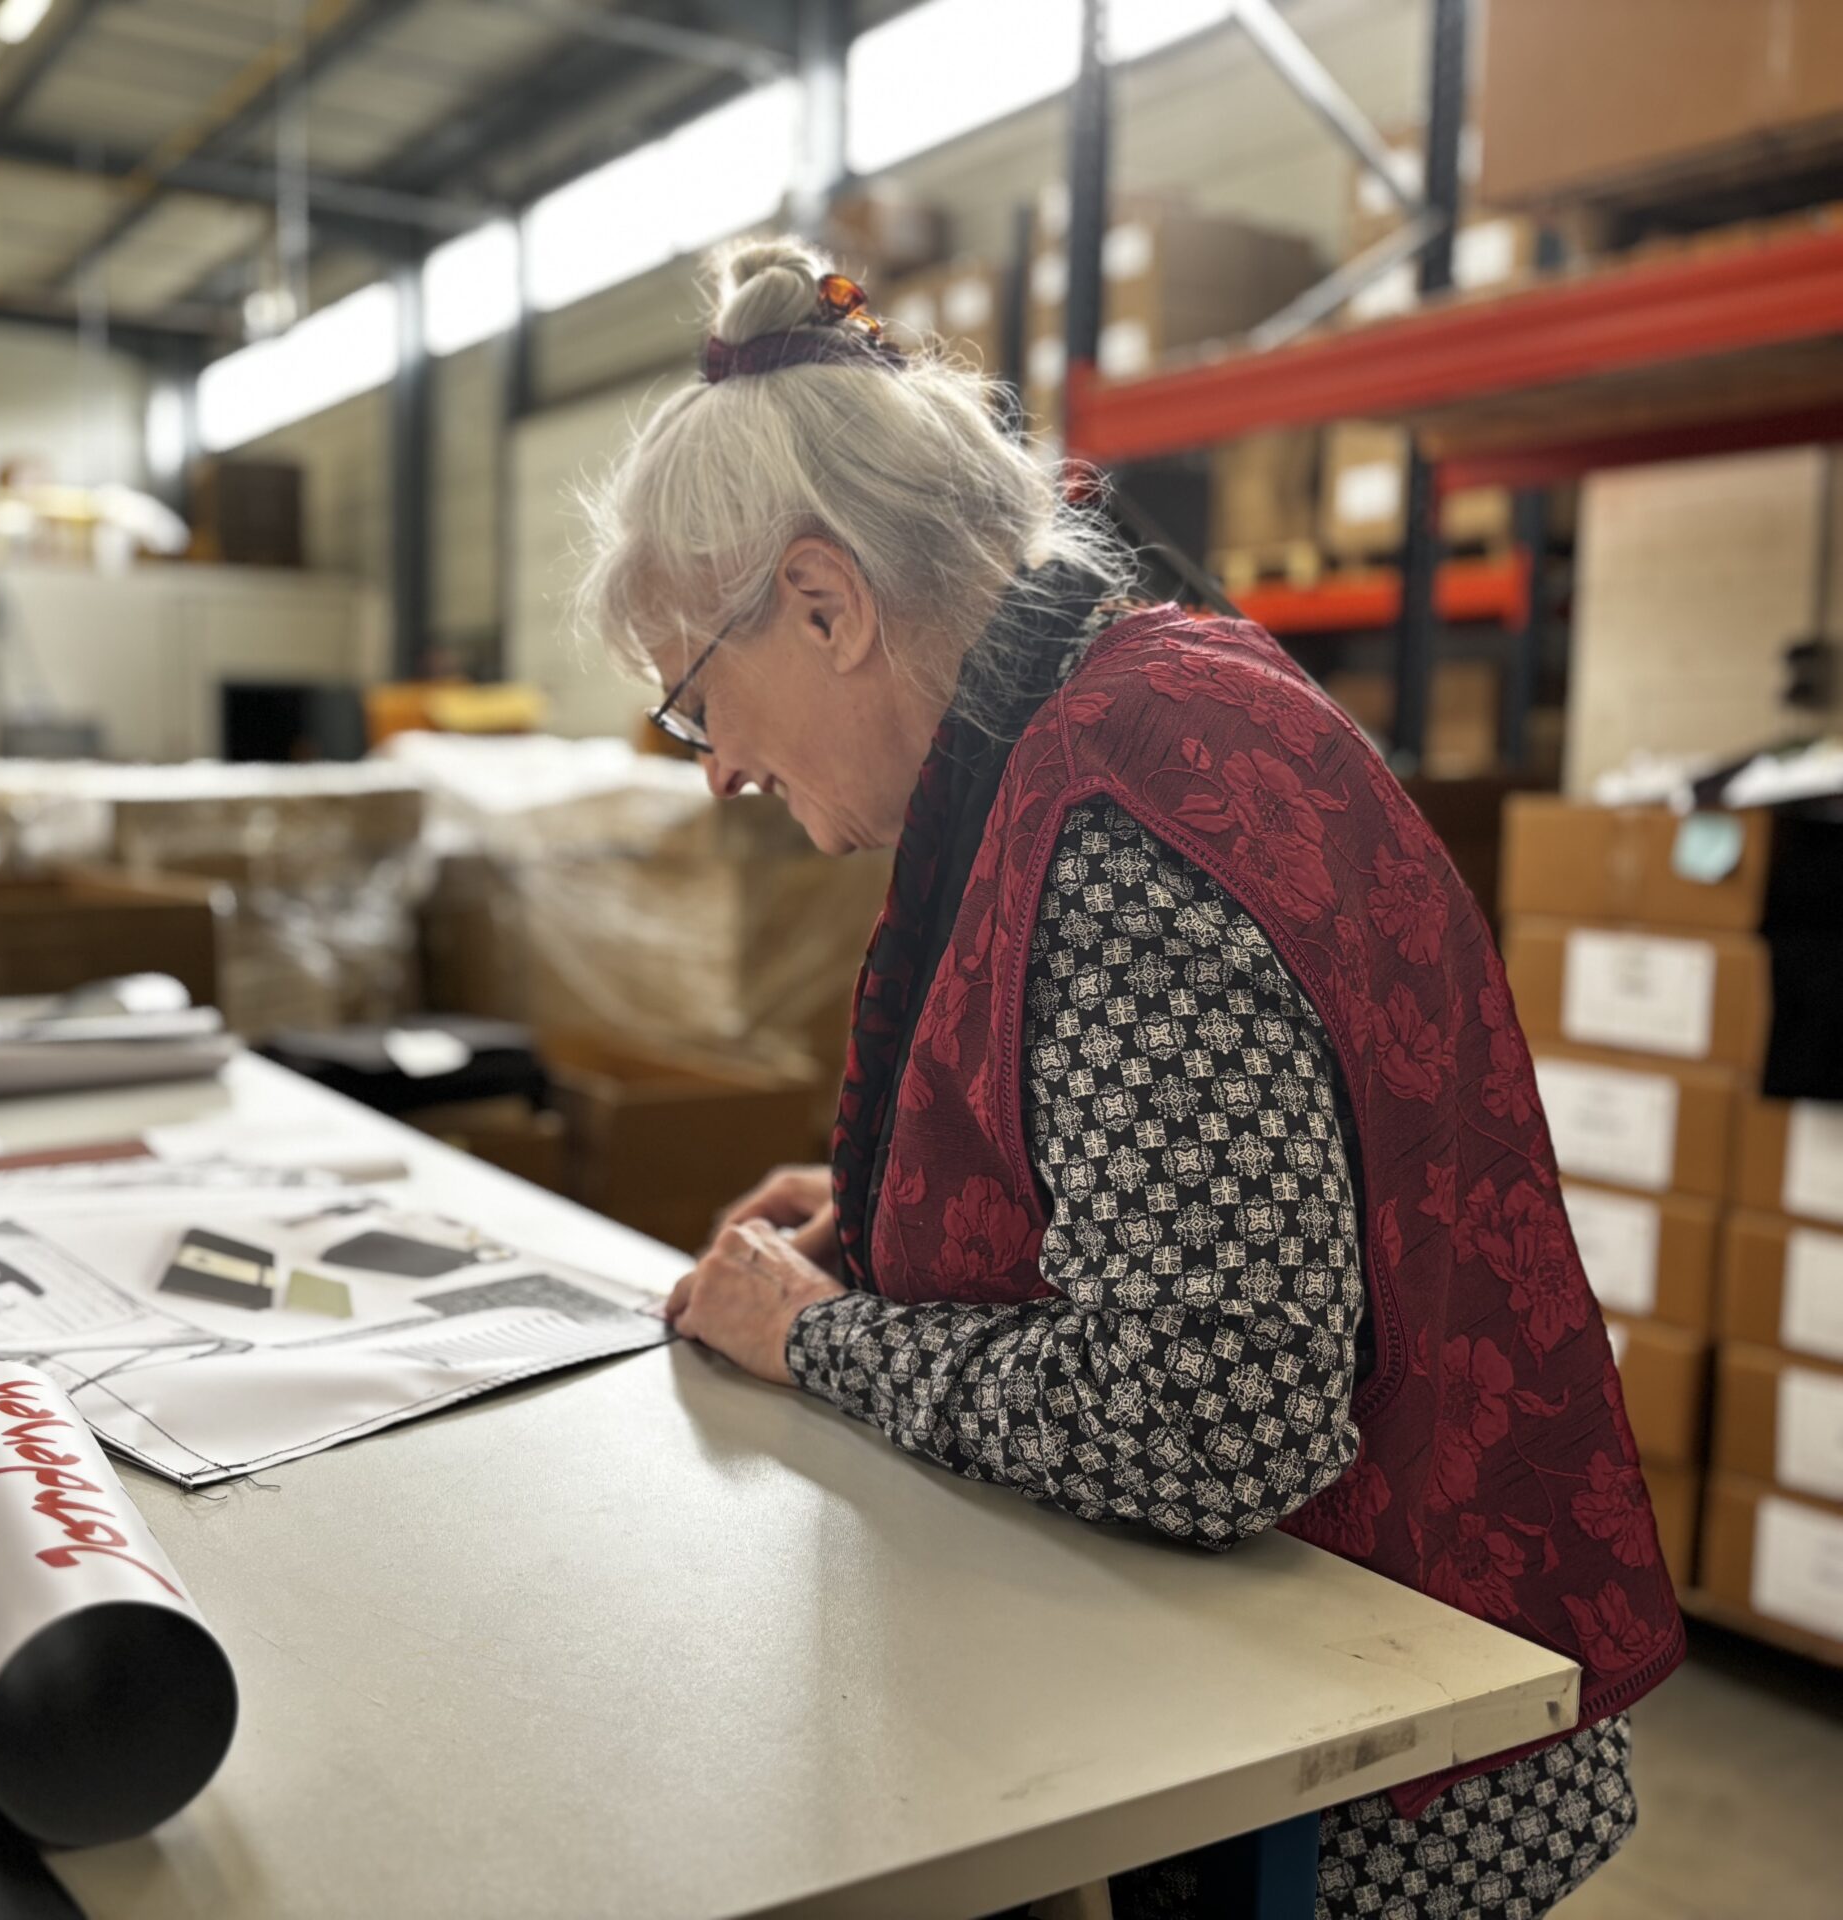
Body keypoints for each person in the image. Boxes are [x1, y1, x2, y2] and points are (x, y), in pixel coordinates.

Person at [578, 237, 1680, 1920]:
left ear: (825, 604)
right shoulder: (1149, 694)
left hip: (1370, 1780)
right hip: (1373, 1656)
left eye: (694, 700)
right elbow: (1205, 1166)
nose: (717, 767)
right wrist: (911, 1203)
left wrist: (813, 1336)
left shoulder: (1110, 824)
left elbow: (1210, 1416)